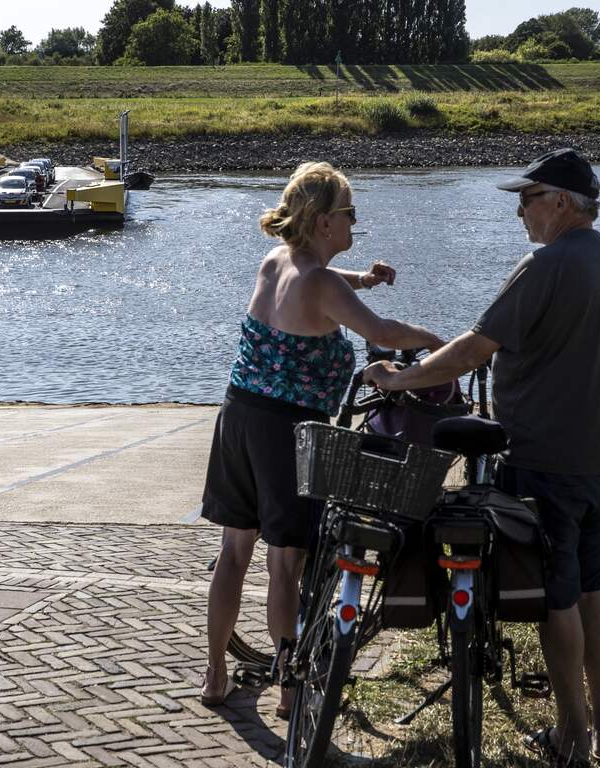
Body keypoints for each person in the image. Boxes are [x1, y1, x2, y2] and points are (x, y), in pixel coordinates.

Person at [364, 148, 600, 768]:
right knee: (596, 588)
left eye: (526, 199)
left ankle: (572, 737)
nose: (520, 212)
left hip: (544, 463)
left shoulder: (545, 264)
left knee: (558, 599)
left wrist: (402, 380)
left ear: (560, 202)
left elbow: (475, 348)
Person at [201, 161, 444, 714]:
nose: (356, 224)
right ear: (323, 221)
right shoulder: (320, 282)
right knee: (284, 563)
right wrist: (438, 340)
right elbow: (379, 332)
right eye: (350, 214)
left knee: (234, 552)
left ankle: (215, 674)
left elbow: (319, 286)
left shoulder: (277, 261)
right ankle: (290, 689)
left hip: (238, 416)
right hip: (285, 430)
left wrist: (364, 278)